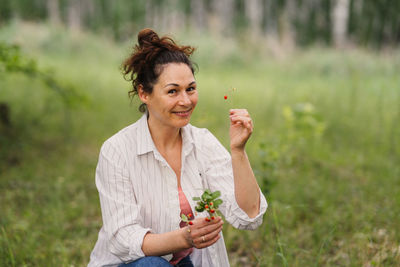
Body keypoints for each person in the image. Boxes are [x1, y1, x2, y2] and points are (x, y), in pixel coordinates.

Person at [88, 28, 267, 267]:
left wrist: (238, 151)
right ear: (144, 93)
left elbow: (249, 217)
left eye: (190, 89)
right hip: (131, 264)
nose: (185, 101)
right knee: (152, 265)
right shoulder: (117, 150)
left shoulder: (203, 143)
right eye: (173, 91)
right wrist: (184, 238)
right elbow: (122, 239)